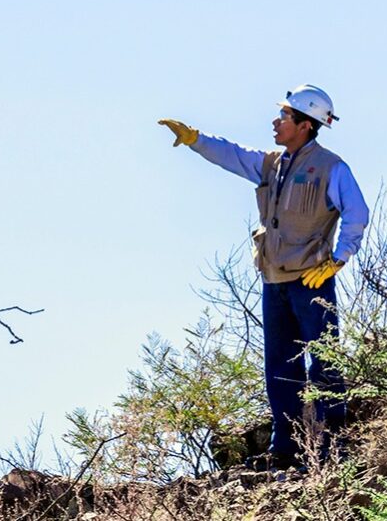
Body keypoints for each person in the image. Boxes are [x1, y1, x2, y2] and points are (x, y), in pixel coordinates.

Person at [158, 85, 369, 469]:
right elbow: (233, 155)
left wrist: (338, 259)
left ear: (305, 125)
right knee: (281, 367)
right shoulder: (272, 163)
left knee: (324, 363)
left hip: (312, 281)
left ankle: (331, 445)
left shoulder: (331, 167)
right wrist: (195, 139)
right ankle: (286, 449)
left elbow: (357, 214)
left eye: (285, 116)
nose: (276, 121)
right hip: (274, 281)